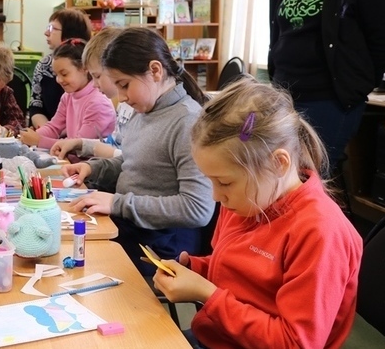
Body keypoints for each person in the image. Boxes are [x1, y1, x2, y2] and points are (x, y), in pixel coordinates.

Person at [154, 77, 362, 349]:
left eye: (224, 182)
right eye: (211, 181)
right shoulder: (248, 200)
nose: (216, 196)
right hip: (217, 336)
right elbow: (243, 274)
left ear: (278, 164)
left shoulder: (320, 233)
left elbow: (295, 343)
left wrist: (207, 294)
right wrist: (198, 269)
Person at [64, 28, 214, 275]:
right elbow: (134, 162)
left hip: (161, 246)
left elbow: (197, 209)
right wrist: (94, 168)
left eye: (124, 85)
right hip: (134, 229)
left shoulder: (187, 122)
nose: (122, 97)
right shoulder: (145, 110)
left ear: (155, 71)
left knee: (76, 263)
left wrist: (117, 203)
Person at [269, 0, 385, 190]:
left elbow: (381, 38)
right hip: (285, 95)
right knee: (278, 173)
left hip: (330, 98)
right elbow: (279, 34)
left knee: (309, 178)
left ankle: (324, 221)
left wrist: (360, 85)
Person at [51, 27, 134, 159]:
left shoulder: (100, 102)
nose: (94, 84)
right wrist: (79, 144)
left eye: (97, 76)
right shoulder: (124, 105)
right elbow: (114, 144)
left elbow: (131, 159)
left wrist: (100, 153)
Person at [19, 39, 115, 150]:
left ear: (84, 68)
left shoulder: (98, 103)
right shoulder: (68, 96)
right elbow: (54, 127)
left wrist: (39, 140)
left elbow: (78, 144)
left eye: (64, 74)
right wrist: (29, 136)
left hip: (93, 160)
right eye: (56, 74)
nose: (59, 80)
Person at [28, 8, 92, 128]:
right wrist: (48, 132)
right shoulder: (44, 65)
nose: (46, 33)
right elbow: (36, 107)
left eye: (52, 28)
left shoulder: (93, 67)